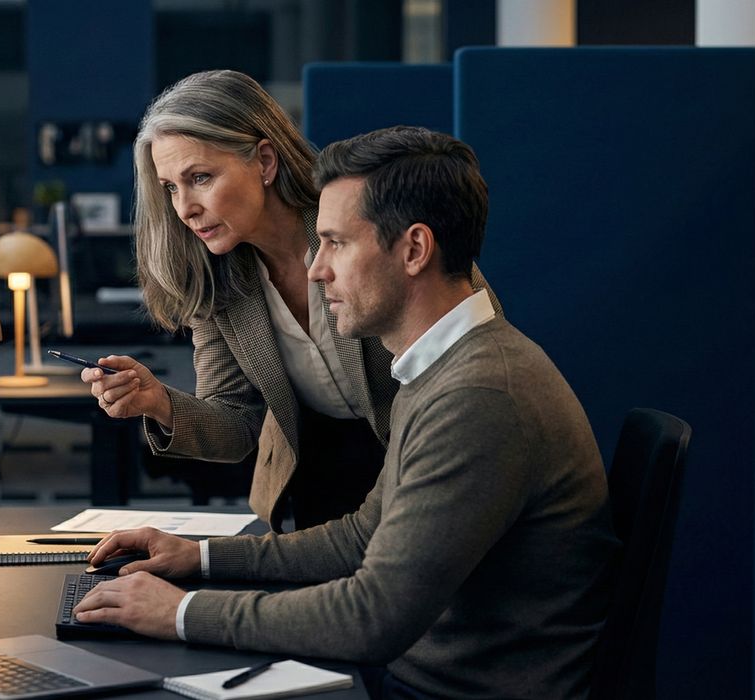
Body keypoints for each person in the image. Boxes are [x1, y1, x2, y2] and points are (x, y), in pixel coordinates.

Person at [73, 127, 618, 699]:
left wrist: (182, 613)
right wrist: (201, 558)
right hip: (420, 669)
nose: (315, 270)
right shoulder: (436, 368)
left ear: (413, 250)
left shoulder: (478, 396)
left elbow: (372, 618)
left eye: (335, 243)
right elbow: (361, 538)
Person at [81, 70, 501, 530]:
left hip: (423, 464)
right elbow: (239, 423)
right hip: (313, 485)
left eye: (200, 177)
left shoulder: (362, 217)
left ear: (264, 161)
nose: (184, 208)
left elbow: (476, 338)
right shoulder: (214, 277)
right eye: (171, 188)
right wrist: (158, 401)